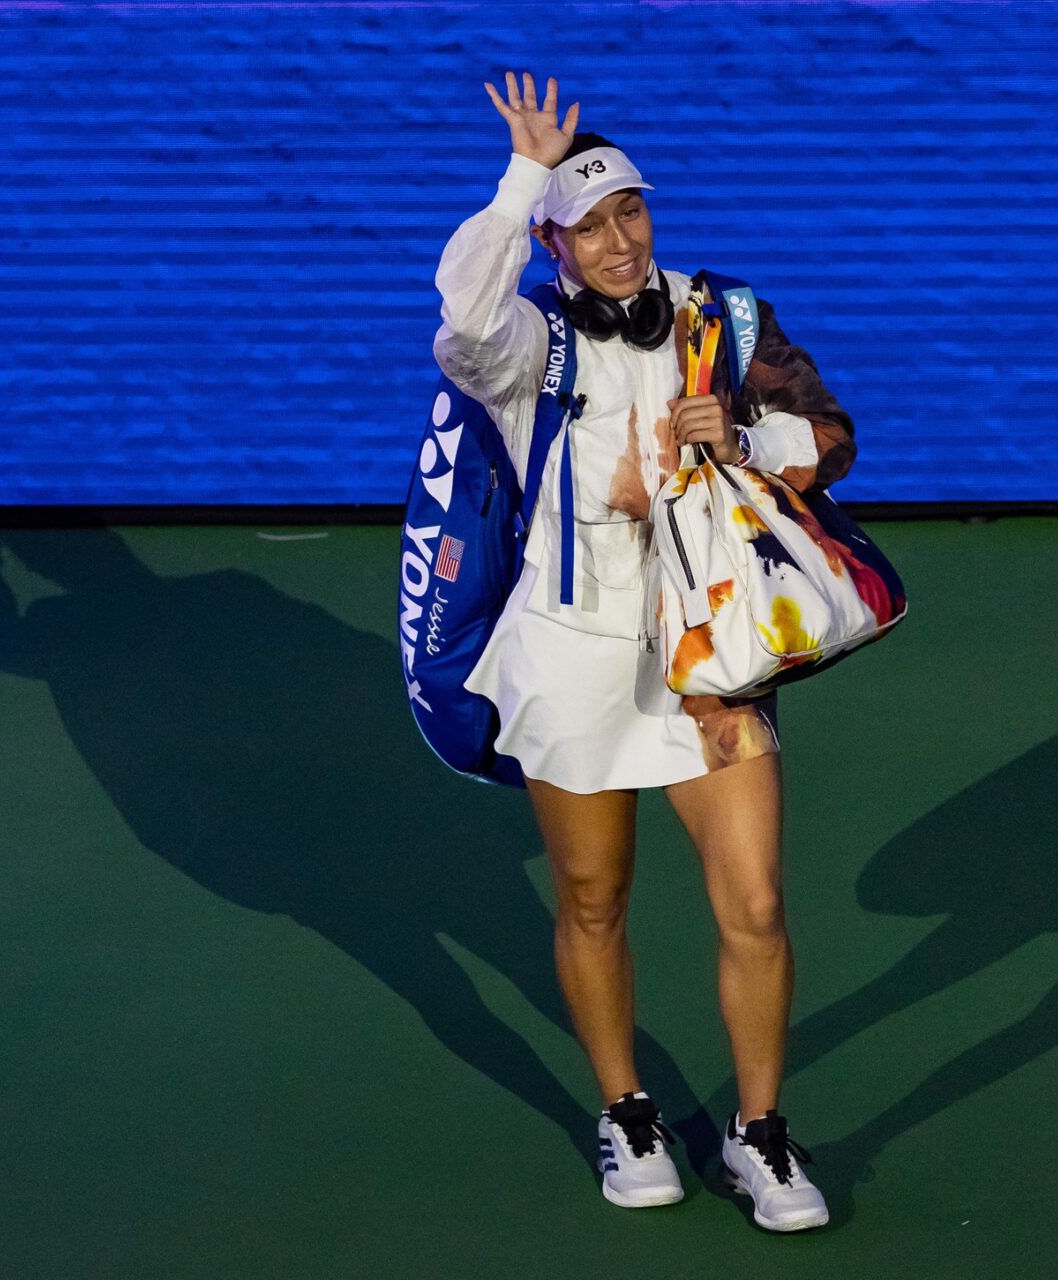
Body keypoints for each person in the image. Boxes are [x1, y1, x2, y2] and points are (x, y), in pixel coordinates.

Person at [430, 71, 857, 1232]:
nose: (621, 241)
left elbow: (830, 434)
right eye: (591, 224)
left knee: (758, 901)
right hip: (571, 653)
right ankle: (627, 1110)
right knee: (591, 894)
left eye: (633, 213)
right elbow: (462, 311)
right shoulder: (522, 347)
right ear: (555, 243)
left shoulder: (722, 317)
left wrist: (750, 429)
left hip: (707, 653)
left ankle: (759, 1137)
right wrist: (523, 175)